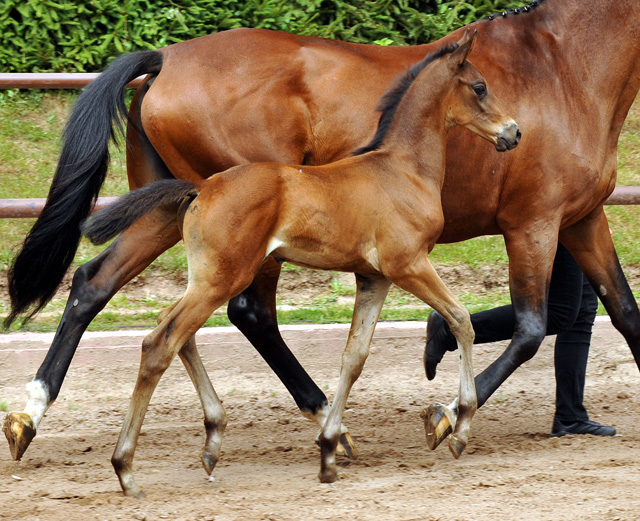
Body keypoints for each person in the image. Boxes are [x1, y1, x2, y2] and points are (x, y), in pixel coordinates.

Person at [424, 243, 616, 437]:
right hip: (563, 218)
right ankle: (451, 330)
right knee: (562, 312)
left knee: (581, 308)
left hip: (569, 217)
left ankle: (571, 416)